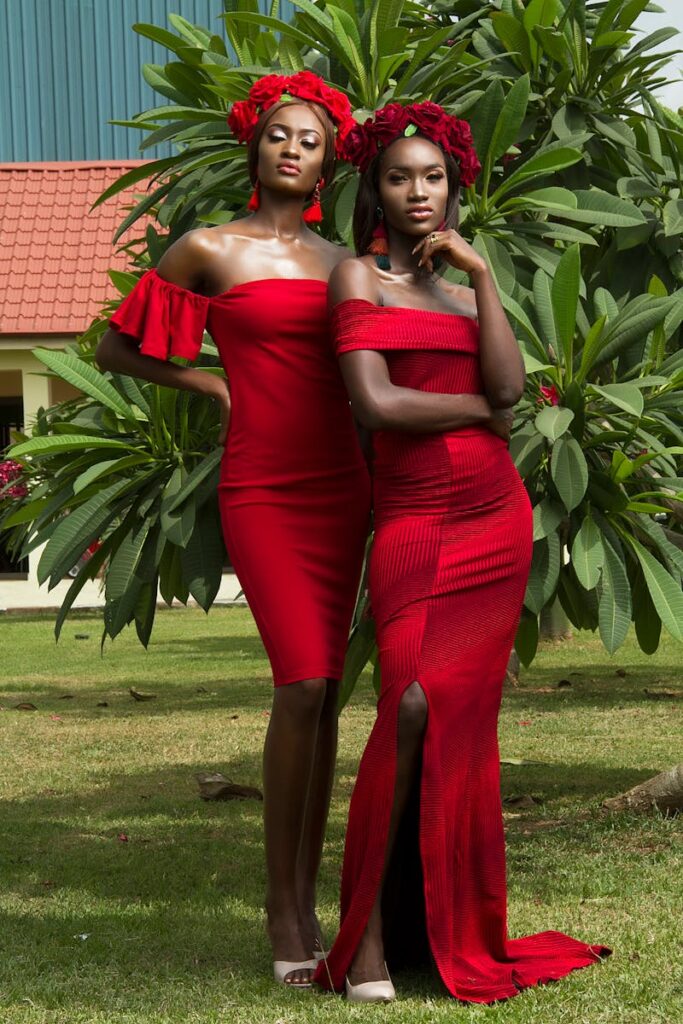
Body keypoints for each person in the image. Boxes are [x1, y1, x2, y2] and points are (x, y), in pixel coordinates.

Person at [315, 102, 609, 1003]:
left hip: (491, 518)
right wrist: (483, 413)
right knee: (404, 703)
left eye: (433, 177)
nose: (417, 192)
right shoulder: (354, 280)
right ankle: (362, 933)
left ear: (454, 187)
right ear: (372, 188)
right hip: (411, 516)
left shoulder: (460, 287)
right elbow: (379, 407)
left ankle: (447, 927)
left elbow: (513, 383)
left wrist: (483, 278)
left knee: (455, 724)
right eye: (399, 177)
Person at [95, 72, 372, 989]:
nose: (293, 150)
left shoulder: (347, 263)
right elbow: (115, 345)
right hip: (262, 486)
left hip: (343, 483)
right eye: (279, 136)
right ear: (254, 148)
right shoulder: (207, 249)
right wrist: (208, 382)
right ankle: (281, 905)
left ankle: (309, 891)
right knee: (298, 682)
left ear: (330, 161)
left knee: (327, 691)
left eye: (311, 141)